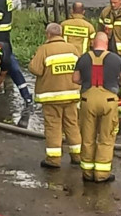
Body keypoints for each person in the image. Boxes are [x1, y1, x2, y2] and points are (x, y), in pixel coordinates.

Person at [72, 31, 121, 183]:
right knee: (106, 138)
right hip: (108, 100)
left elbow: (75, 79)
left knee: (87, 137)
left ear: (93, 43)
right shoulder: (116, 59)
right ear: (106, 43)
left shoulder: (83, 58)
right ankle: (101, 174)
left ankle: (87, 173)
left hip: (87, 99)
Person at [29, 23, 82, 168]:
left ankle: (53, 160)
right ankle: (77, 156)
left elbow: (35, 69)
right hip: (72, 94)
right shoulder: (73, 49)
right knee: (72, 124)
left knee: (53, 126)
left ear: (48, 35)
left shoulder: (44, 50)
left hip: (51, 96)